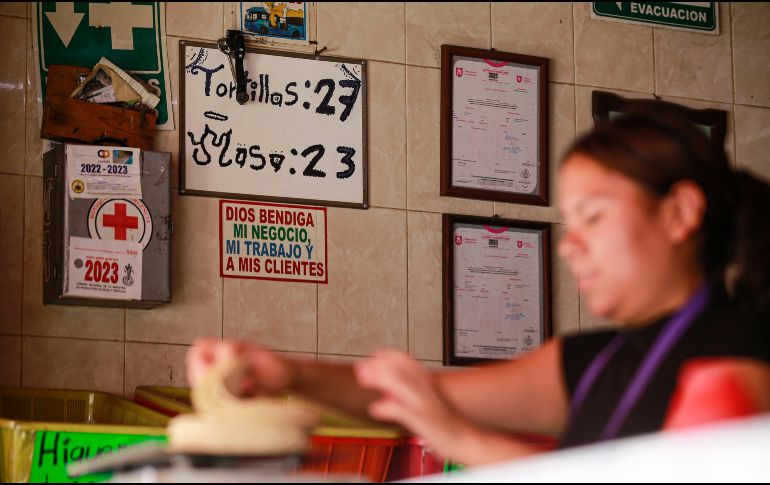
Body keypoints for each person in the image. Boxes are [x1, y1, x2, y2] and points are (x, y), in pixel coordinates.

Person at [187, 107, 770, 467]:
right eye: (569, 225)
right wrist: (287, 374)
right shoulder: (592, 361)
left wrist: (462, 440)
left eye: (593, 218)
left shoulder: (745, 356)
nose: (570, 246)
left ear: (679, 214)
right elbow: (418, 402)